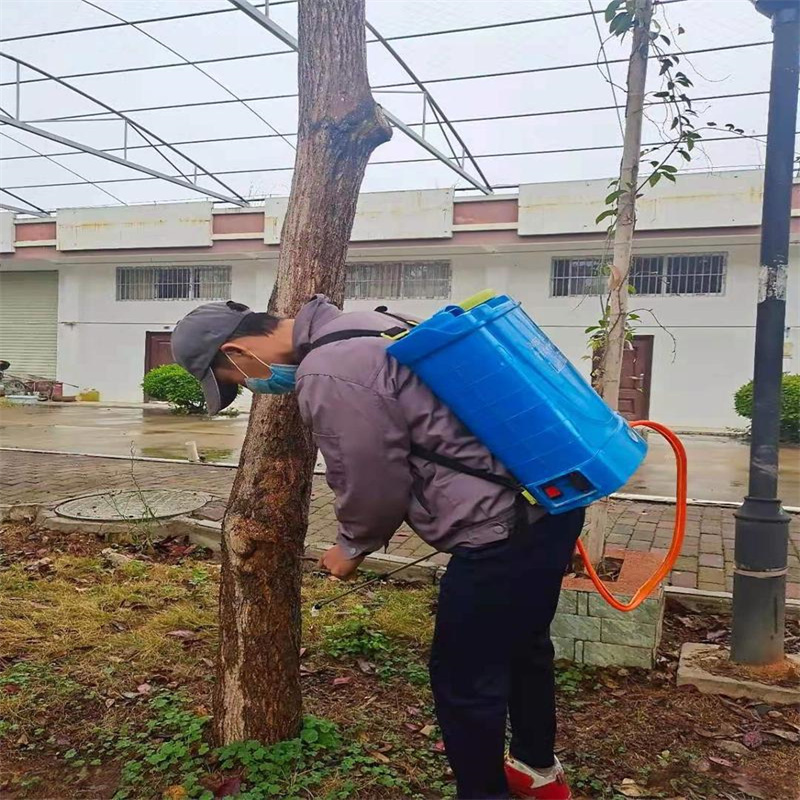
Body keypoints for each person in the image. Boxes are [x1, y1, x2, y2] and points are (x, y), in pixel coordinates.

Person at [172, 296, 584, 800]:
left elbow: (370, 477)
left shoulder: (328, 369)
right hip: (549, 505)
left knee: (465, 682)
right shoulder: (372, 323)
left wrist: (352, 547)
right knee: (525, 648)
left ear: (236, 351)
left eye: (235, 378)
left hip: (497, 530)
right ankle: (537, 770)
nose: (251, 387)